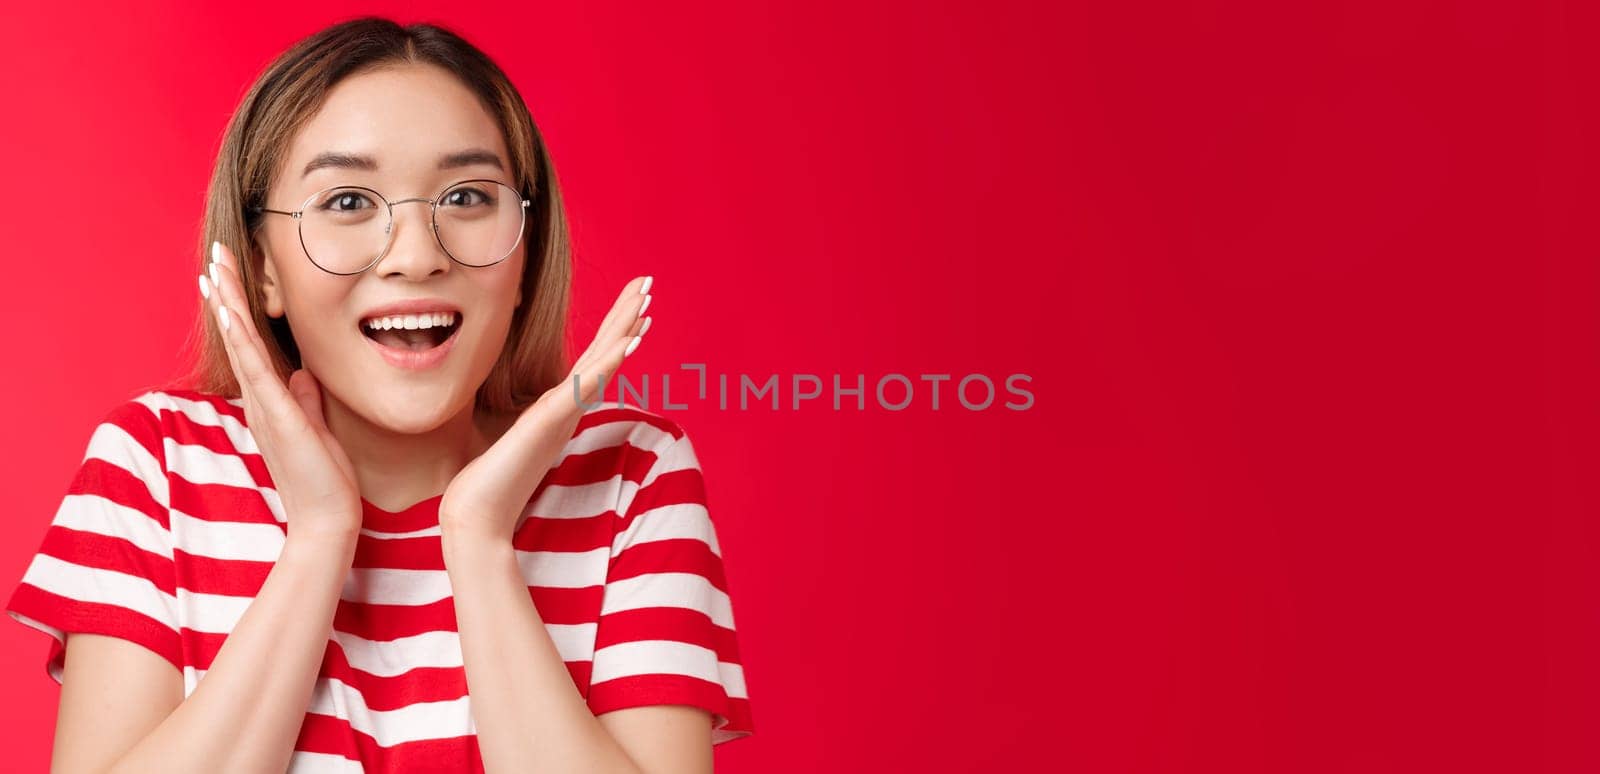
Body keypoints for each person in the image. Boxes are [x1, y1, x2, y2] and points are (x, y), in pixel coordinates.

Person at [4, 16, 753, 773]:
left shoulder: (628, 474)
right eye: (348, 203)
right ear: (263, 267)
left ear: (525, 253)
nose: (418, 257)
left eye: (466, 197)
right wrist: (321, 538)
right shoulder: (157, 469)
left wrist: (478, 540)